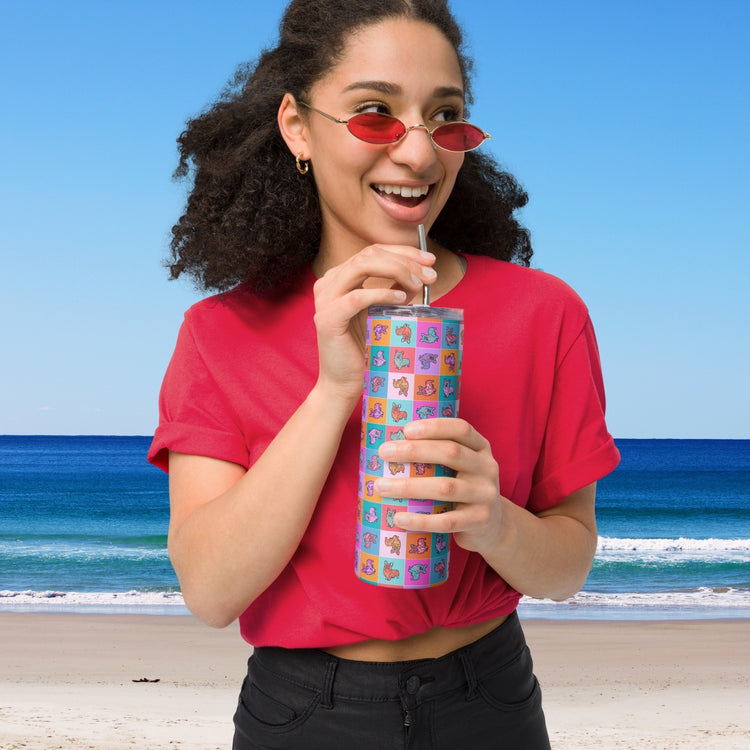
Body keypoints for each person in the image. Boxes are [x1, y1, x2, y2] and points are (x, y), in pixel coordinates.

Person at [148, 1, 620, 747]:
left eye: (446, 117)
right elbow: (210, 591)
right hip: (303, 709)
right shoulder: (220, 333)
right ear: (298, 127)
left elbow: (568, 565)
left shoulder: (545, 313)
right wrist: (335, 389)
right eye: (375, 114)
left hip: (490, 696)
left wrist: (495, 523)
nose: (420, 155)